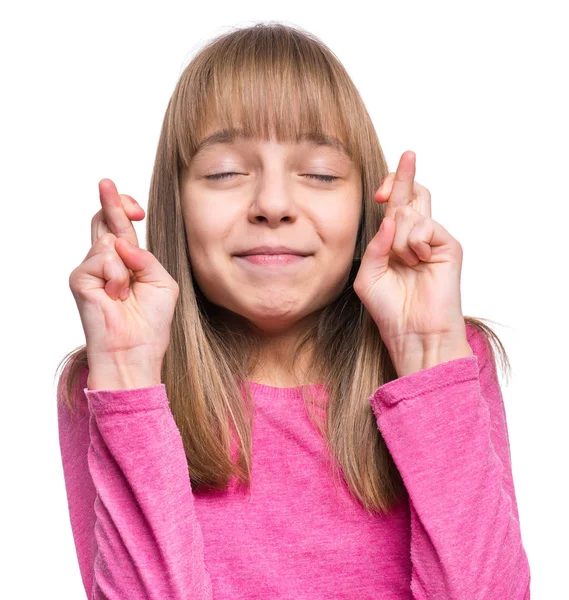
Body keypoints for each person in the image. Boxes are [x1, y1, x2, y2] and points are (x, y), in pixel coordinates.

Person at [55, 21, 531, 599]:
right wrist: (128, 377)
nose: (274, 204)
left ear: (366, 204)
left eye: (320, 174)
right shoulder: (112, 380)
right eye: (226, 172)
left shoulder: (452, 360)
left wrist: (429, 353)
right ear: (176, 205)